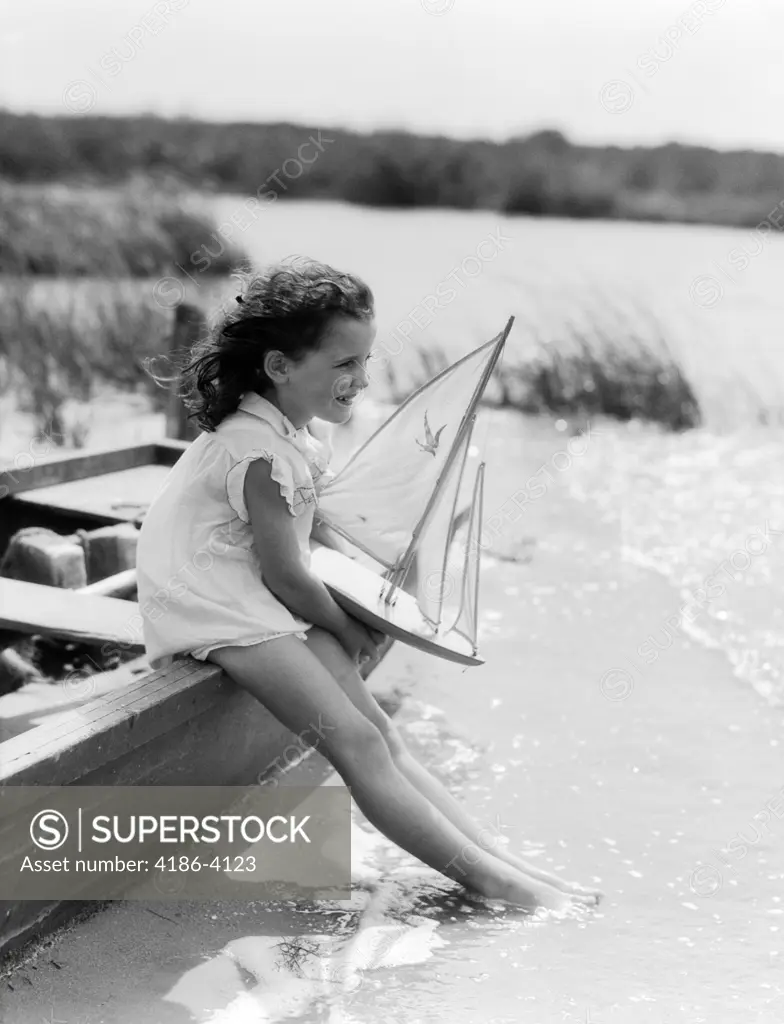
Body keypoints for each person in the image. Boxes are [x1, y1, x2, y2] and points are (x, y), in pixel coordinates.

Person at [137, 256, 601, 912]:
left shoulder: (291, 431)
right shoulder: (258, 453)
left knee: (380, 731)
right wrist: (347, 627)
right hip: (211, 601)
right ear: (279, 367)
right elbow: (286, 572)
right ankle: (491, 884)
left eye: (364, 361)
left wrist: (374, 596)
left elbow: (311, 539)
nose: (359, 379)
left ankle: (499, 860)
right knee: (353, 742)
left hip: (250, 589)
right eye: (343, 364)